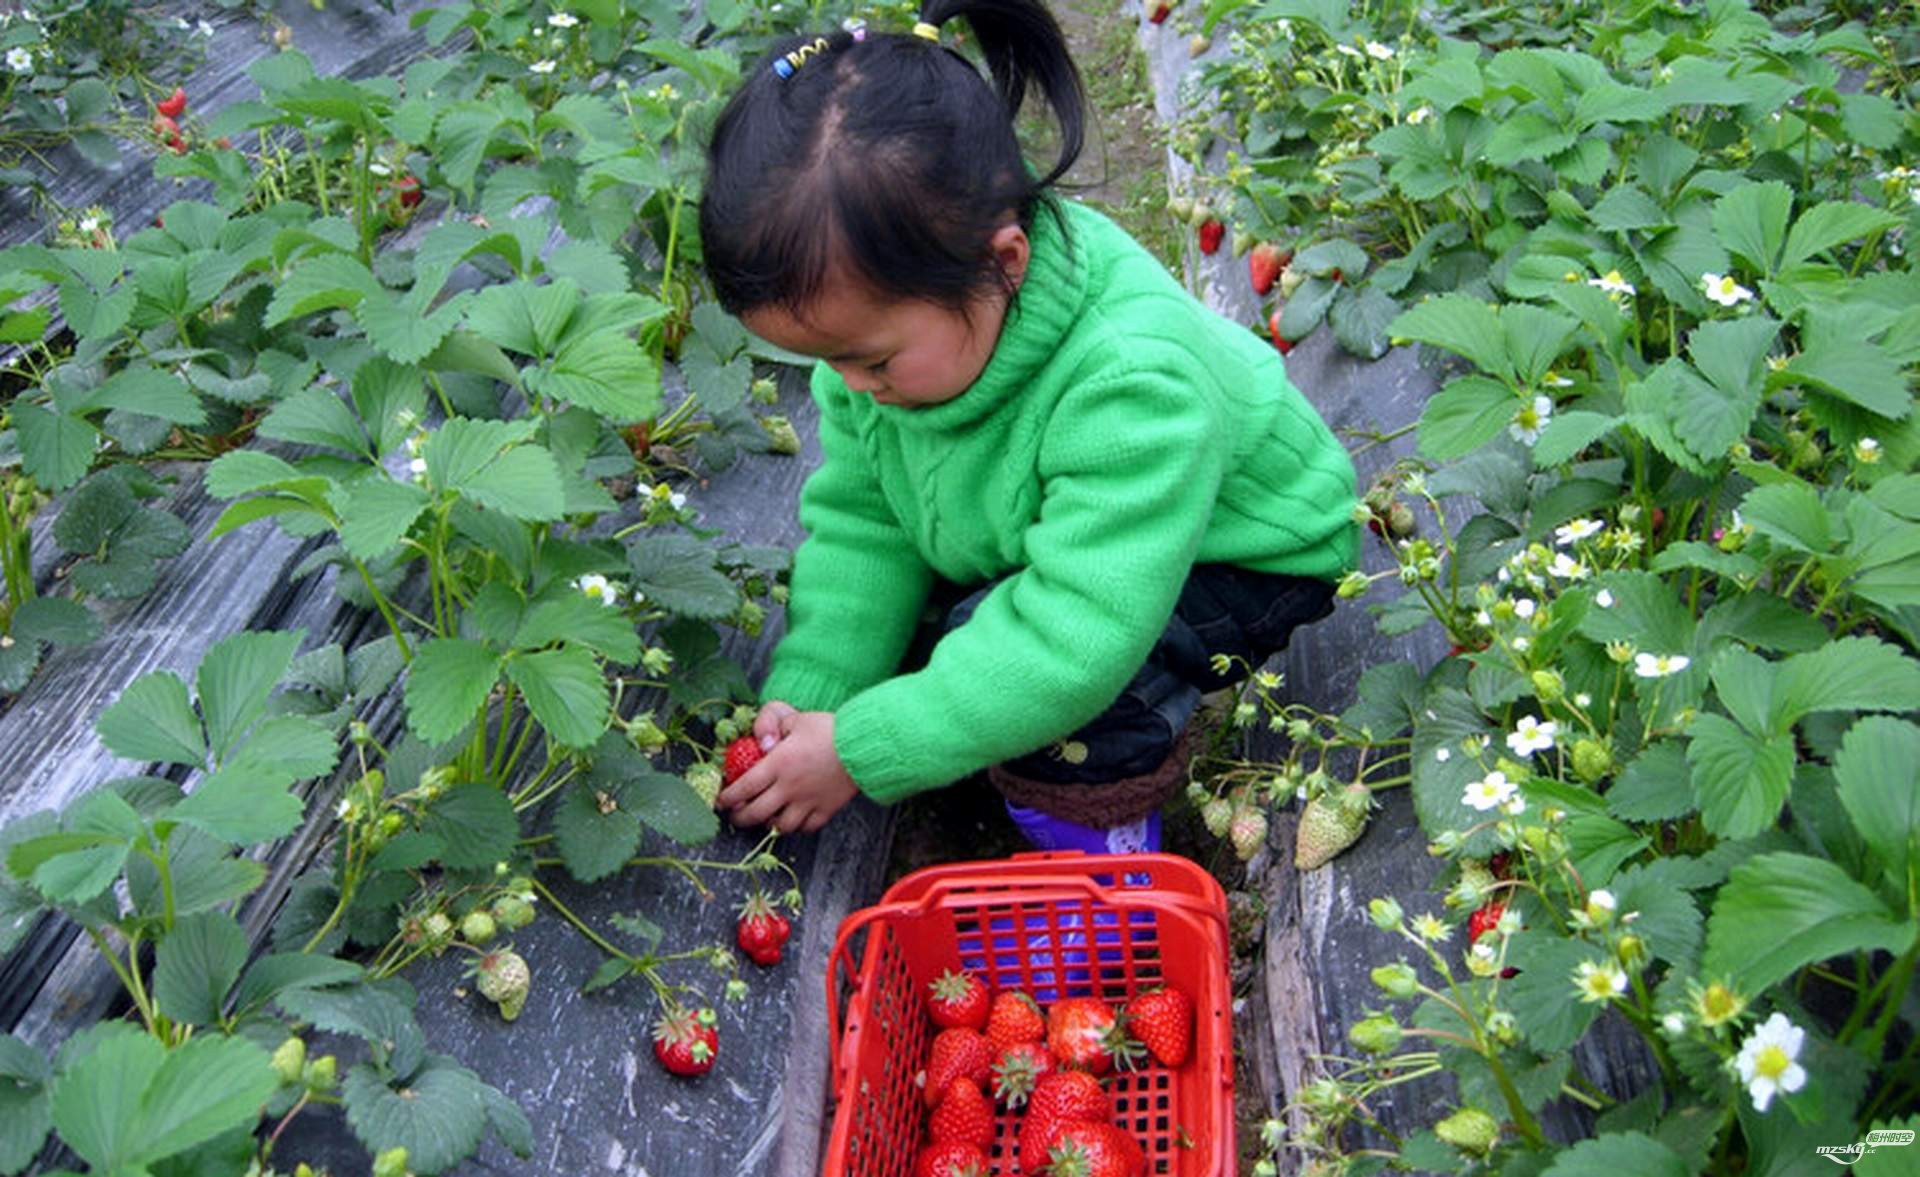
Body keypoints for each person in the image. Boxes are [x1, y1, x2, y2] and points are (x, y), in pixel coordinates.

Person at [700, 0, 1358, 850]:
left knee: (1049, 684)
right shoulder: (887, 351)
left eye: (870, 360)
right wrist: (817, 694)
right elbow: (869, 522)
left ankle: (1103, 869)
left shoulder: (1129, 384)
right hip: (1086, 525)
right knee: (937, 635)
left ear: (1003, 262)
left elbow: (1074, 640)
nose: (850, 386)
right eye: (825, 360)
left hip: (1243, 552)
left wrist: (862, 748)